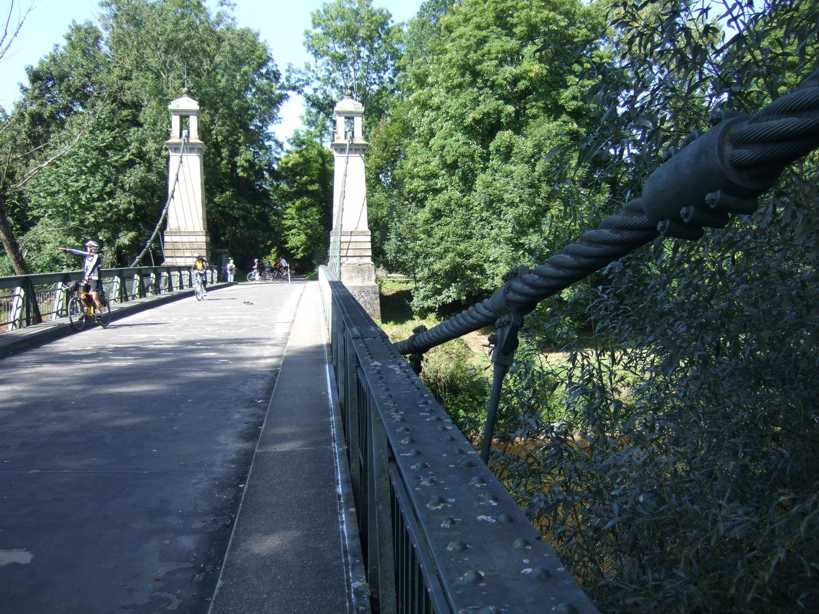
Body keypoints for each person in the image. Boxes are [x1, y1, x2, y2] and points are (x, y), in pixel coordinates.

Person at [59, 240, 104, 315]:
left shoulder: (97, 257)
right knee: (83, 297)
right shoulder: (86, 255)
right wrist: (67, 250)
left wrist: (87, 275)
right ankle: (89, 313)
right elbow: (77, 252)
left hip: (94, 279)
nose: (87, 249)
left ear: (93, 248)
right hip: (87, 279)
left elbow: (92, 266)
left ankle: (99, 312)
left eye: (89, 247)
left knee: (94, 296)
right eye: (87, 247)